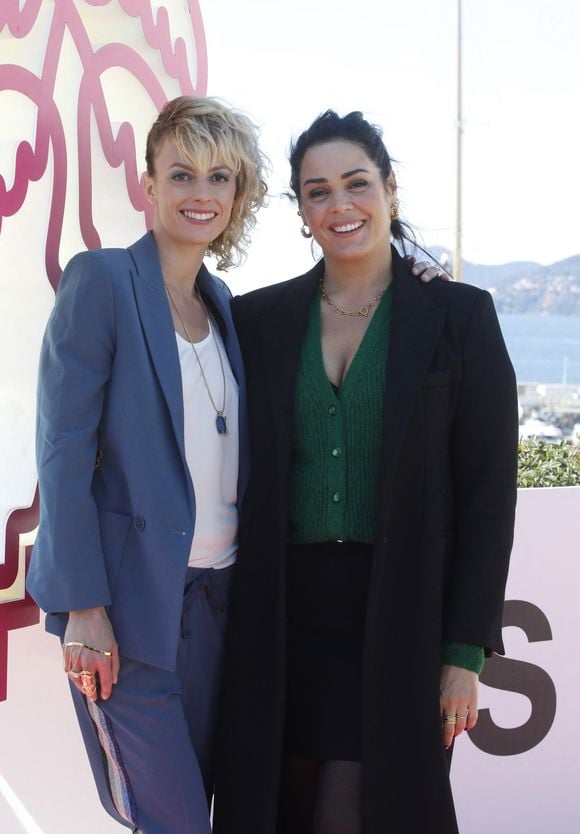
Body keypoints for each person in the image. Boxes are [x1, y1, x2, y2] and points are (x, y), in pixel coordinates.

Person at [213, 110, 519, 834]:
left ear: (389, 190)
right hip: (281, 619)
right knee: (278, 808)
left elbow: (487, 494)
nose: (339, 204)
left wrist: (464, 653)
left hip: (401, 619)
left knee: (356, 814)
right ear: (300, 210)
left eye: (356, 183)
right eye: (317, 191)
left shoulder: (457, 315)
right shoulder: (258, 320)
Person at [26, 95, 267, 834]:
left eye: (220, 177)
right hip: (129, 614)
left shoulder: (222, 302)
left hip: (219, 604)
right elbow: (62, 449)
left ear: (239, 193)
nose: (202, 194)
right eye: (183, 173)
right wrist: (84, 606)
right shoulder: (102, 281)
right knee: (176, 823)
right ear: (149, 185)